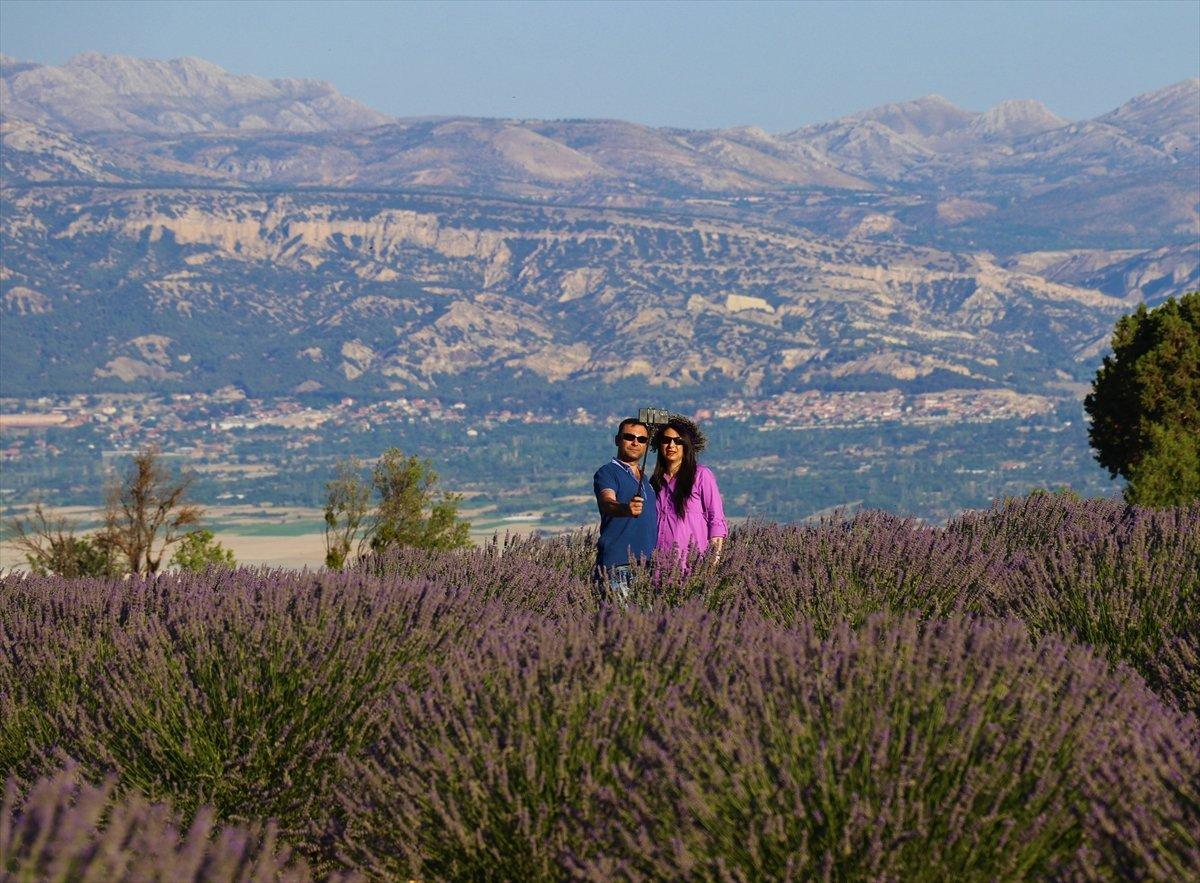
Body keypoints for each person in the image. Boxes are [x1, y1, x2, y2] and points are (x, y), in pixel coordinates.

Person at [593, 416, 658, 602]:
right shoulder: (607, 472)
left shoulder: (646, 479)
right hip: (618, 565)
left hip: (648, 565)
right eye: (629, 437)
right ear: (617, 440)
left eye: (642, 439)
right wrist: (625, 509)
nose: (635, 442)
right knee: (622, 625)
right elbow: (607, 502)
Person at [650, 415, 727, 566]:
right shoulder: (655, 482)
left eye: (678, 441)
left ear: (686, 445)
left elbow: (716, 518)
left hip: (692, 564)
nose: (671, 445)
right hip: (659, 564)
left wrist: (714, 559)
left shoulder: (701, 476)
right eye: (666, 440)